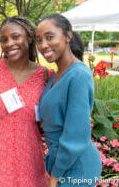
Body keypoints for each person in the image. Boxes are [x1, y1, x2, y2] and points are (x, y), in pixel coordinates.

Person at [0, 16, 54, 187]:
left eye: (15, 37)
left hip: (31, 167)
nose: (9, 43)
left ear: (30, 38)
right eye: (4, 40)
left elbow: (57, 119)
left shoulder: (47, 76)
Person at [36, 14, 102, 187]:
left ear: (67, 36)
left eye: (49, 37)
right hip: (60, 160)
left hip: (76, 164)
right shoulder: (56, 75)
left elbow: (75, 136)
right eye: (39, 40)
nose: (43, 45)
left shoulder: (78, 74)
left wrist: (55, 177)